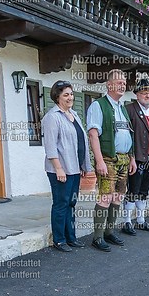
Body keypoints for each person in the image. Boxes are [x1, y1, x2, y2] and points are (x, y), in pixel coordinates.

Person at [87, 69, 137, 252]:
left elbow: (127, 134)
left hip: (124, 159)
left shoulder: (122, 107)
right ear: (109, 85)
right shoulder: (98, 105)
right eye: (119, 82)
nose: (123, 85)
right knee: (106, 197)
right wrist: (99, 161)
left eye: (124, 82)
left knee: (118, 197)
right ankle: (97, 237)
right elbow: (93, 134)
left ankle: (109, 231)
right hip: (108, 159)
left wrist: (132, 158)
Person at [42, 80, 92, 252]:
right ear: (57, 97)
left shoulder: (74, 115)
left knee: (71, 203)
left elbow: (81, 141)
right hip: (61, 169)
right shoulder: (52, 117)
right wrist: (58, 168)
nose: (70, 97)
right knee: (61, 203)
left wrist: (84, 165)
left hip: (74, 168)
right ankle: (59, 240)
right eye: (66, 95)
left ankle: (71, 237)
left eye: (71, 94)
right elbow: (50, 146)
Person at [122, 72, 149, 235]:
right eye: (145, 92)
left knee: (144, 191)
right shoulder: (130, 110)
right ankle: (127, 222)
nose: (148, 95)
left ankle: (140, 220)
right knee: (133, 190)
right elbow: (127, 136)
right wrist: (131, 156)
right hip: (137, 158)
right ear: (137, 94)